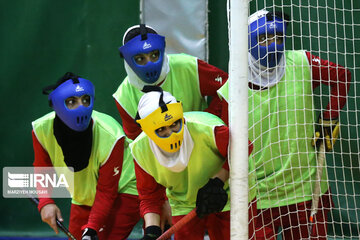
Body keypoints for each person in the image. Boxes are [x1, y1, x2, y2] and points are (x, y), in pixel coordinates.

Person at [218, 9, 351, 240]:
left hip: (308, 190)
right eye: (264, 39)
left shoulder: (302, 62)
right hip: (257, 198)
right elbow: (220, 146)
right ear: (248, 41)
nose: (274, 46)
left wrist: (329, 117)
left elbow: (342, 76)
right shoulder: (231, 89)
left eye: (279, 38)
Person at [129, 87, 252, 240]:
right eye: (161, 129)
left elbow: (243, 147)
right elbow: (149, 196)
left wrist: (218, 182)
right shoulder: (140, 150)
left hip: (227, 193)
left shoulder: (207, 129)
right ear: (148, 131)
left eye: (175, 124)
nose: (171, 134)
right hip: (183, 203)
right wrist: (152, 231)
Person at [31, 72, 140, 240]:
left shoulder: (111, 135)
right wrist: (46, 202)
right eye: (72, 102)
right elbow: (42, 167)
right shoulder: (41, 130)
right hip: (84, 194)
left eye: (85, 100)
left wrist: (91, 229)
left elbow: (106, 191)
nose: (81, 107)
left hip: (124, 189)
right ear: (57, 104)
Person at [113, 24, 228, 140]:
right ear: (127, 60)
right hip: (158, 155)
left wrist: (208, 119)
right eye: (140, 58)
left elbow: (229, 86)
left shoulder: (188, 66)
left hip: (203, 143)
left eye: (154, 55)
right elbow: (137, 141)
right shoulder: (123, 97)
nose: (149, 64)